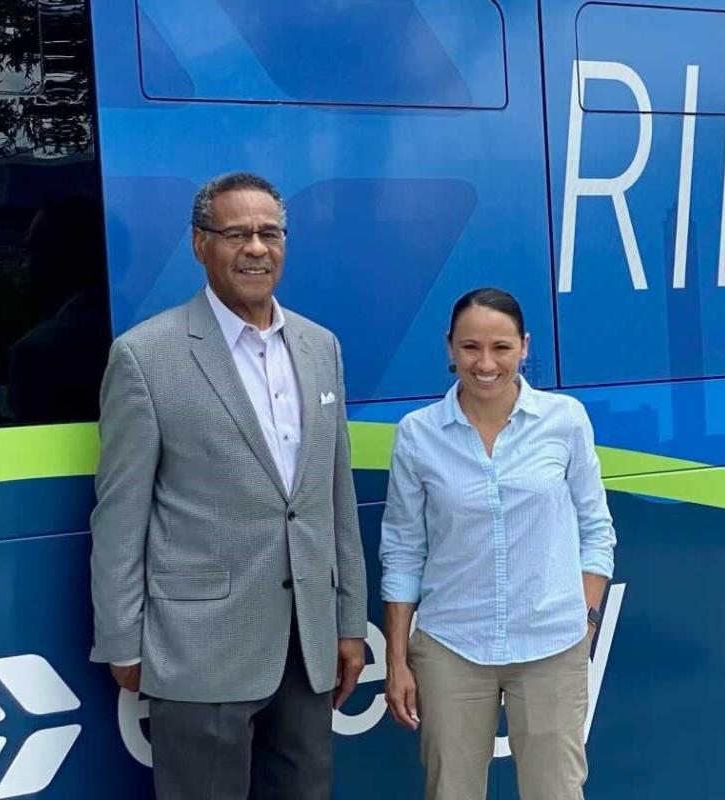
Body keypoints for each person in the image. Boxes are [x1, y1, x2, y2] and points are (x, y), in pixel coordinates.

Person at [88, 172, 368, 799]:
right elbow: (121, 515)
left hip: (307, 645)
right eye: (237, 234)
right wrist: (122, 640)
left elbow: (334, 498)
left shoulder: (320, 346)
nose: (256, 248)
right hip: (199, 648)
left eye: (270, 233)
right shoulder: (145, 356)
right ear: (200, 244)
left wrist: (349, 621)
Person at [380, 287, 616, 800]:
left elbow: (597, 530)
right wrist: (397, 660)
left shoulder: (565, 420)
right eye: (470, 347)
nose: (485, 364)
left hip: (552, 646)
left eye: (501, 347)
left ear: (525, 346)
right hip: (452, 646)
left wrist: (586, 620)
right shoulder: (417, 435)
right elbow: (402, 552)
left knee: (556, 791)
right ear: (450, 346)